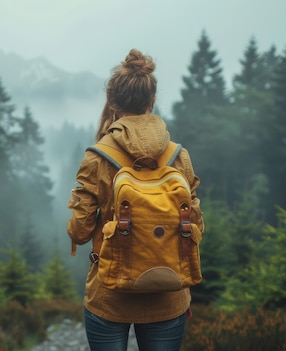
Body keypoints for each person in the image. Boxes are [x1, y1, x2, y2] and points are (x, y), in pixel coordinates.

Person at [66, 48, 204, 351]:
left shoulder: (97, 157)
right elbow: (195, 227)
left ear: (112, 102)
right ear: (151, 101)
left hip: (109, 296)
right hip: (168, 296)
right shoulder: (178, 157)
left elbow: (79, 231)